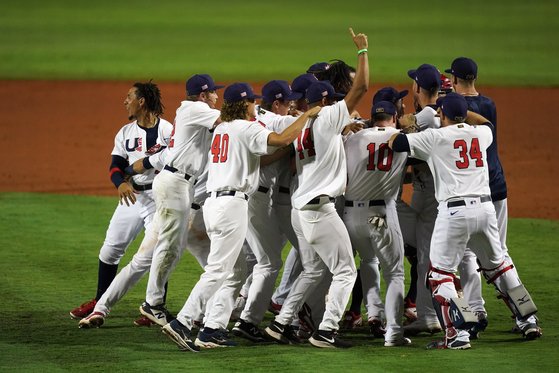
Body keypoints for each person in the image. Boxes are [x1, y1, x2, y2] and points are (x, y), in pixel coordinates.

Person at [161, 82, 321, 352]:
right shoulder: (247, 128)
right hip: (231, 205)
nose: (255, 106)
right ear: (243, 104)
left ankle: (213, 328)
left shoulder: (222, 128)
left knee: (236, 271)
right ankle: (183, 322)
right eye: (251, 102)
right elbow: (282, 140)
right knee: (218, 270)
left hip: (214, 204)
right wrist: (308, 115)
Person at [389, 92, 539, 349]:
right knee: (500, 267)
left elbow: (397, 143)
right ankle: (528, 318)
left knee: (440, 275)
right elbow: (486, 123)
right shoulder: (480, 134)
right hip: (485, 210)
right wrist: (458, 113)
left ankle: (458, 333)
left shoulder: (435, 137)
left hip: (454, 214)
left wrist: (410, 122)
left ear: (443, 114)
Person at [264, 27, 369, 349]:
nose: (342, 97)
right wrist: (362, 50)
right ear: (325, 100)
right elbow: (362, 87)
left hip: (300, 208)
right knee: (345, 272)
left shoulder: (303, 124)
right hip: (319, 209)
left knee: (311, 270)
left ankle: (281, 324)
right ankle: (326, 331)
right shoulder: (328, 117)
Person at [445, 57, 541, 339]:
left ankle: (473, 314)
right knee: (500, 256)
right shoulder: (489, 105)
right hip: (496, 189)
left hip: (470, 194)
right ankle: (527, 316)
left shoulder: (450, 110)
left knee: (463, 258)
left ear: (454, 80)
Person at [69, 81, 172, 326]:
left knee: (158, 252)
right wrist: (121, 183)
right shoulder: (125, 132)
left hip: (158, 199)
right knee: (110, 250)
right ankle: (99, 300)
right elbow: (115, 166)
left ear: (142, 101)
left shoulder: (168, 131)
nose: (125, 101)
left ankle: (154, 307)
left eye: (129, 97)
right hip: (132, 197)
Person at [138, 74, 223, 326]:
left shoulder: (191, 111)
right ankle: (152, 303)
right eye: (214, 93)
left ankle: (156, 302)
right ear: (203, 95)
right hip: (175, 182)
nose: (217, 97)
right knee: (169, 245)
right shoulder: (197, 108)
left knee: (173, 246)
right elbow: (225, 121)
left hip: (180, 183)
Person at [232, 80, 303, 342]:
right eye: (288, 102)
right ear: (276, 103)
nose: (292, 106)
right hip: (255, 198)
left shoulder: (251, 118)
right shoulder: (273, 120)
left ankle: (230, 313)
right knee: (268, 262)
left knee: (249, 262)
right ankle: (246, 320)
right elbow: (265, 156)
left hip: (246, 198)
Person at [342, 101, 410, 347]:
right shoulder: (401, 138)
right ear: (393, 118)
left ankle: (374, 314)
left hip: (350, 216)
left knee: (368, 261)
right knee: (394, 272)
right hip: (378, 215)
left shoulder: (353, 138)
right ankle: (394, 333)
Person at [400, 64, 444, 336]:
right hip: (425, 191)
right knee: (424, 251)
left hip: (430, 194)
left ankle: (431, 316)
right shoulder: (437, 112)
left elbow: (403, 148)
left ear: (418, 88)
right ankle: (435, 311)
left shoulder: (427, 115)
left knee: (430, 255)